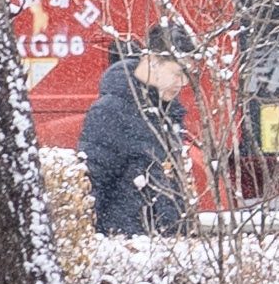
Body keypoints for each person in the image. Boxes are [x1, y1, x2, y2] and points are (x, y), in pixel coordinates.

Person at [79, 25, 196, 234]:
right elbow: (91, 187)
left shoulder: (168, 113)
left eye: (187, 74)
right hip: (126, 244)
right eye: (177, 73)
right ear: (152, 63)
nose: (182, 83)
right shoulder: (111, 112)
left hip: (163, 246)